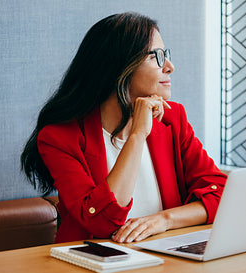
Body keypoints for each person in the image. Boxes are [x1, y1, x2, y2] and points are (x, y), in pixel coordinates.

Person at [21, 12, 227, 244]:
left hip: (167, 259)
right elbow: (100, 222)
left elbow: (222, 194)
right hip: (94, 260)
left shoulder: (172, 119)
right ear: (119, 66)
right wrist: (137, 135)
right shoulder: (59, 138)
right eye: (156, 57)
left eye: (166, 55)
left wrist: (164, 220)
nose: (169, 66)